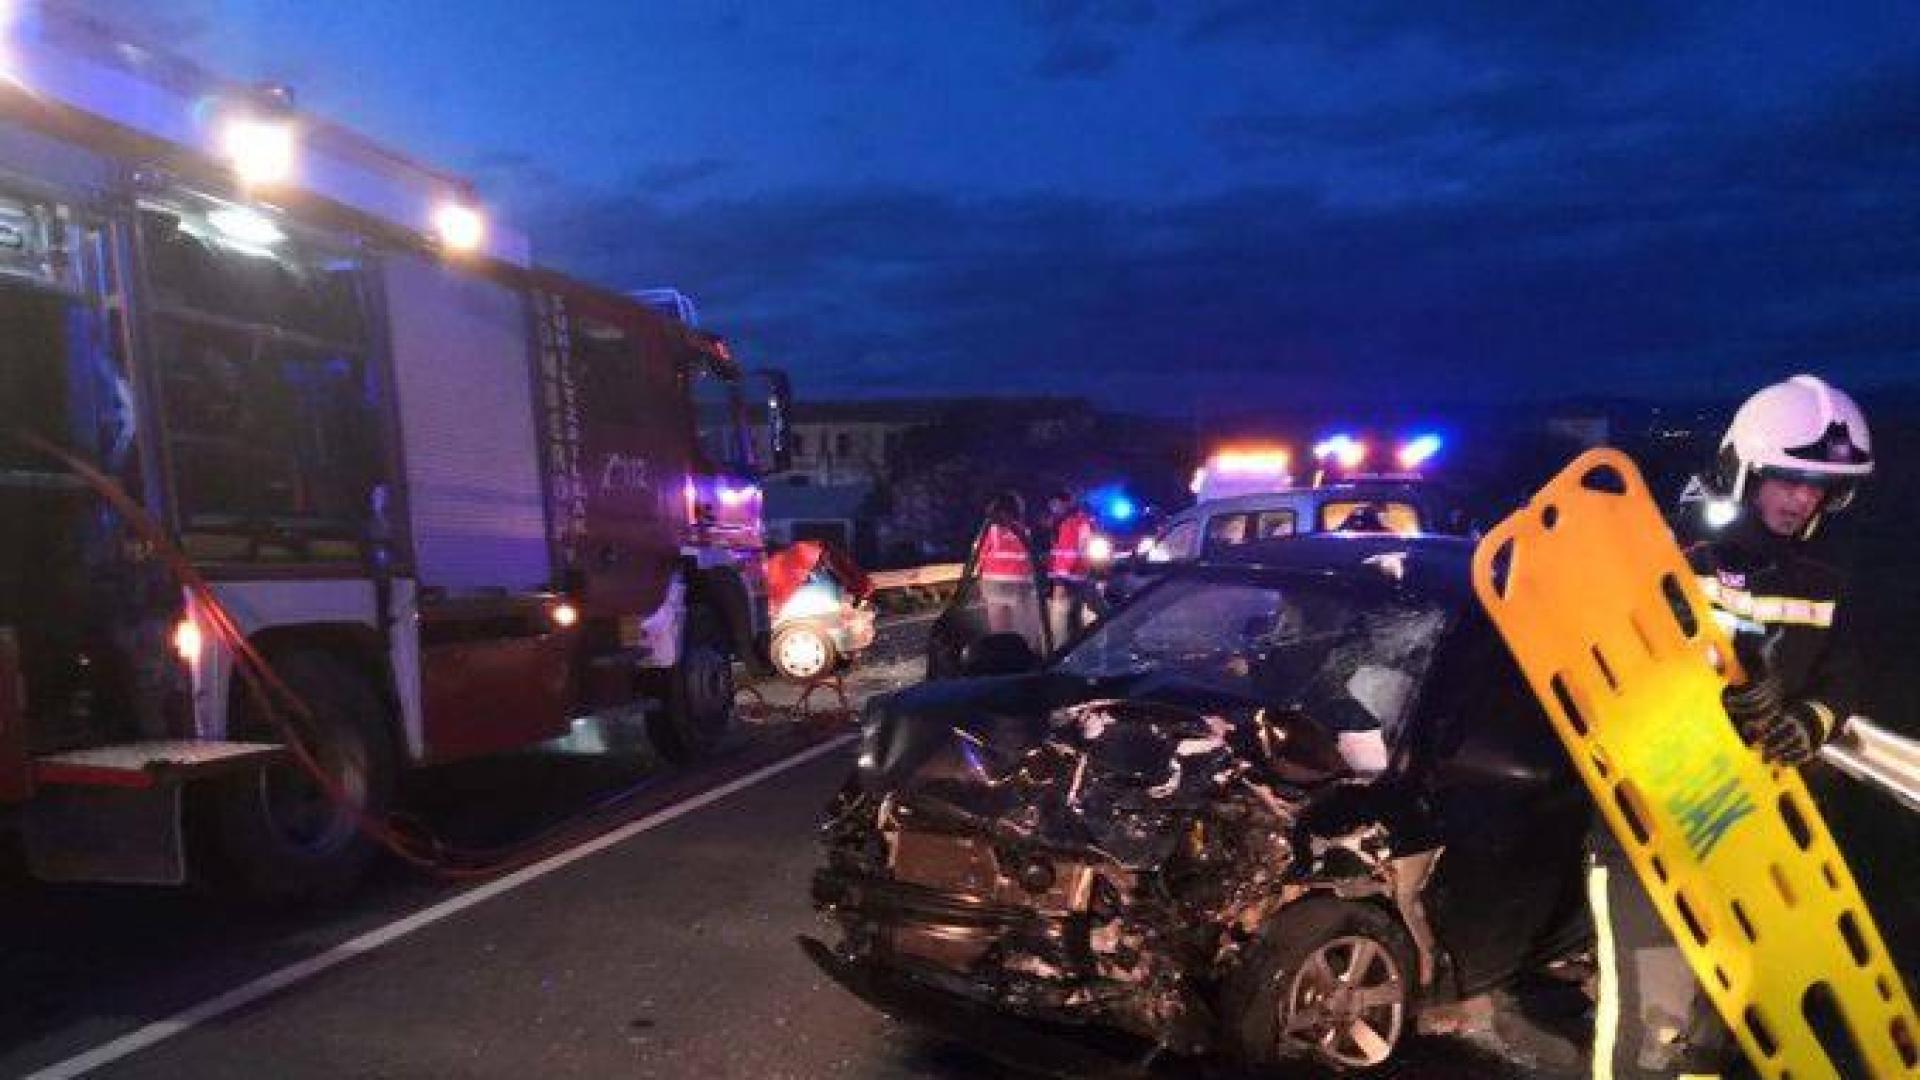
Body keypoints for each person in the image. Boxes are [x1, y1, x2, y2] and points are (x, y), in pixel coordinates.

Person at [1589, 374, 1872, 1078]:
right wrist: (1722, 690)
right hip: (1655, 825)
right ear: (1744, 465)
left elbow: (1849, 668)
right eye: (1789, 479)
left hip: (1762, 833)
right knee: (1654, 1028)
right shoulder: (1667, 549)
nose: (1805, 499)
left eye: (1822, 487)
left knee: (1730, 1016)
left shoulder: (1824, 570)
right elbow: (1612, 669)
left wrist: (1810, 718)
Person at [974, 491, 1044, 653]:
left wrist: (980, 582)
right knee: (1027, 634)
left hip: (993, 586)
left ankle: (1003, 665)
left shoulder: (988, 530)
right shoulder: (1022, 530)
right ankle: (1030, 664)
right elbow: (1031, 558)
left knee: (1000, 634)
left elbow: (979, 556)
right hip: (1020, 586)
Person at [1045, 489, 1104, 647]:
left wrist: (1060, 579)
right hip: (1078, 575)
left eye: (1055, 504)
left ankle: (1060, 652)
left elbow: (1069, 552)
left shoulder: (1072, 523)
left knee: (1062, 616)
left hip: (1071, 577)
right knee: (1084, 613)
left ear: (1065, 503)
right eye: (1051, 505)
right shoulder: (1075, 521)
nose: (1053, 508)